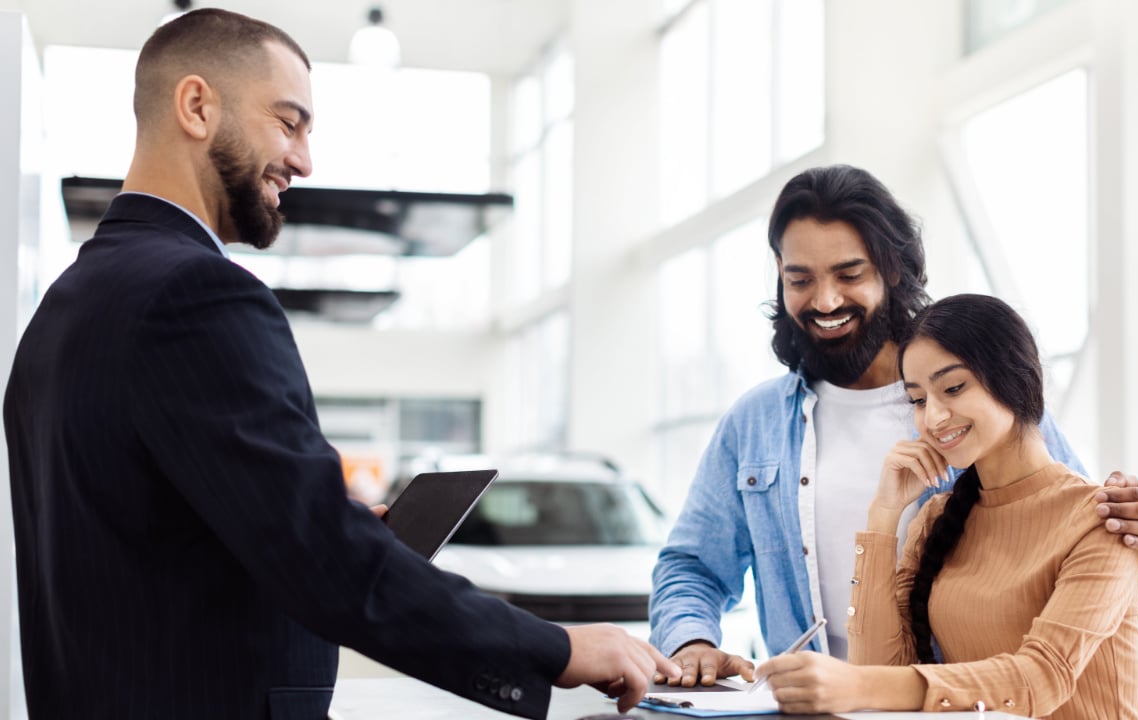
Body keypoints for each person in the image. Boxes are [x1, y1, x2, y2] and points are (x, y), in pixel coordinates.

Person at [2, 10, 678, 719]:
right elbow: (323, 559)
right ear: (197, 106)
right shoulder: (198, 294)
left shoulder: (66, 305)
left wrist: (311, 511)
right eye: (288, 123)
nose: (304, 161)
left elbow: (149, 540)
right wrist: (557, 649)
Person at [649, 164, 1138, 686]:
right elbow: (693, 565)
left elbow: (1083, 551)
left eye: (849, 274)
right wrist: (690, 641)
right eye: (800, 279)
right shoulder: (755, 423)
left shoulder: (986, 404)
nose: (826, 300)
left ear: (893, 270)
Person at [757, 294, 1138, 719]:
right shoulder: (938, 518)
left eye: (954, 388)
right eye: (918, 400)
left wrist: (856, 684)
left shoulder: (1103, 519)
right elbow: (879, 671)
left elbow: (1041, 677)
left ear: (1014, 377)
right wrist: (882, 518)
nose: (934, 418)